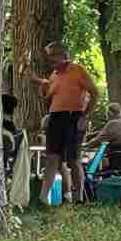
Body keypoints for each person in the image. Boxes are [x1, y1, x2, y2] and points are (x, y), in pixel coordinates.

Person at [38, 44, 95, 186]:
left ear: (64, 55)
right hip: (55, 117)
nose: (49, 59)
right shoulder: (54, 75)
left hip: (73, 116)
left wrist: (84, 116)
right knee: (52, 159)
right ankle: (46, 197)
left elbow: (95, 93)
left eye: (53, 55)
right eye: (48, 55)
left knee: (73, 160)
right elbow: (48, 98)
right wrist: (43, 90)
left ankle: (78, 196)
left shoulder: (78, 70)